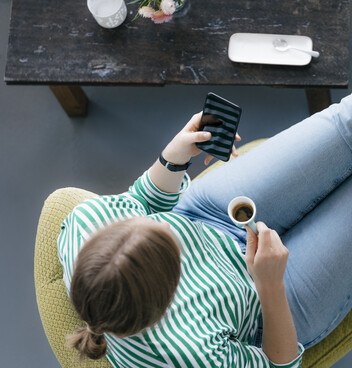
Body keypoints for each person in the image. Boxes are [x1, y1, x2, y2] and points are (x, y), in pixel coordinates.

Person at [58, 93, 352, 368]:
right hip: (268, 304)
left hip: (204, 215)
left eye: (156, 223)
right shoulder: (191, 356)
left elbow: (141, 200)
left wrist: (172, 159)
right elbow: (279, 364)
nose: (159, 220)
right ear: (170, 292)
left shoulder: (85, 223)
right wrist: (271, 285)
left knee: (344, 122)